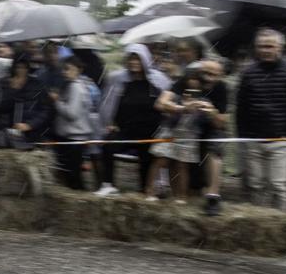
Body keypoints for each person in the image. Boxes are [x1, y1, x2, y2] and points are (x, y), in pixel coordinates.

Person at [236, 29, 286, 211]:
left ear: (279, 48)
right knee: (256, 184)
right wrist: (243, 136)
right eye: (261, 47)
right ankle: (259, 221)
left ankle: (281, 222)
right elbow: (241, 108)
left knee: (279, 185)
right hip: (253, 140)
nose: (265, 50)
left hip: (281, 140)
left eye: (270, 46)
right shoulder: (248, 73)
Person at [95, 43, 171, 196]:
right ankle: (108, 184)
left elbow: (169, 102)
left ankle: (146, 190)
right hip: (126, 130)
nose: (133, 63)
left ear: (145, 60)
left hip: (151, 133)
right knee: (108, 146)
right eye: (131, 59)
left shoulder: (158, 81)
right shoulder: (117, 79)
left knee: (147, 159)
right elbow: (107, 103)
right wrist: (109, 123)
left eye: (137, 59)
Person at [158, 59, 229, 215]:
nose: (209, 78)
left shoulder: (221, 88)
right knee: (171, 153)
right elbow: (161, 103)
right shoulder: (184, 81)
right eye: (205, 73)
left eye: (213, 75)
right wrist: (182, 107)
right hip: (184, 127)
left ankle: (213, 196)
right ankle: (177, 195)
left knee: (214, 150)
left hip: (209, 129)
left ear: (220, 75)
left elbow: (222, 122)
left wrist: (212, 112)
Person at [147, 72, 215, 204]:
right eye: (190, 80)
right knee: (160, 161)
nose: (193, 86)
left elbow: (212, 120)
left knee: (181, 166)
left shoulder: (205, 102)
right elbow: (161, 105)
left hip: (189, 136)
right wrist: (183, 108)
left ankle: (181, 196)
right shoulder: (175, 97)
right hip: (169, 133)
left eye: (197, 83)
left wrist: (209, 111)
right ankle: (150, 191)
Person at [51, 56, 93, 190]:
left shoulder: (76, 88)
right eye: (64, 69)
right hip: (71, 136)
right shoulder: (74, 85)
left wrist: (57, 101)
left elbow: (72, 113)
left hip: (74, 137)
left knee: (73, 175)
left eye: (68, 69)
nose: (65, 72)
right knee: (71, 173)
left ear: (78, 70)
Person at [0, 54, 52, 148]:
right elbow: (0, 108)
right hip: (9, 134)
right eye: (18, 67)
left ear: (28, 68)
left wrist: (30, 125)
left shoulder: (37, 85)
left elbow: (45, 110)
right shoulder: (4, 83)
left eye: (24, 67)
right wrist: (12, 90)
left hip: (31, 134)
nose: (21, 70)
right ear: (14, 68)